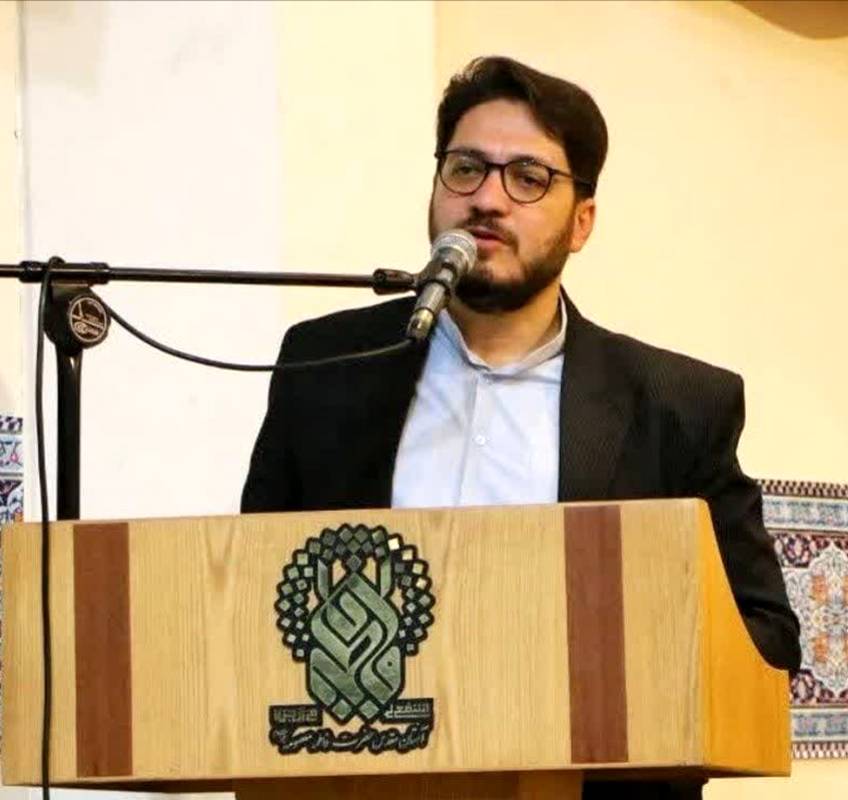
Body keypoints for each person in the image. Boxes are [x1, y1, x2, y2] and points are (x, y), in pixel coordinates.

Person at [242, 56, 799, 798]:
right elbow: (253, 596)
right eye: (466, 169)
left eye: (528, 178)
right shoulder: (327, 366)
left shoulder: (678, 404)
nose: (487, 199)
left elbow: (766, 637)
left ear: (582, 222)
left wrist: (600, 670)